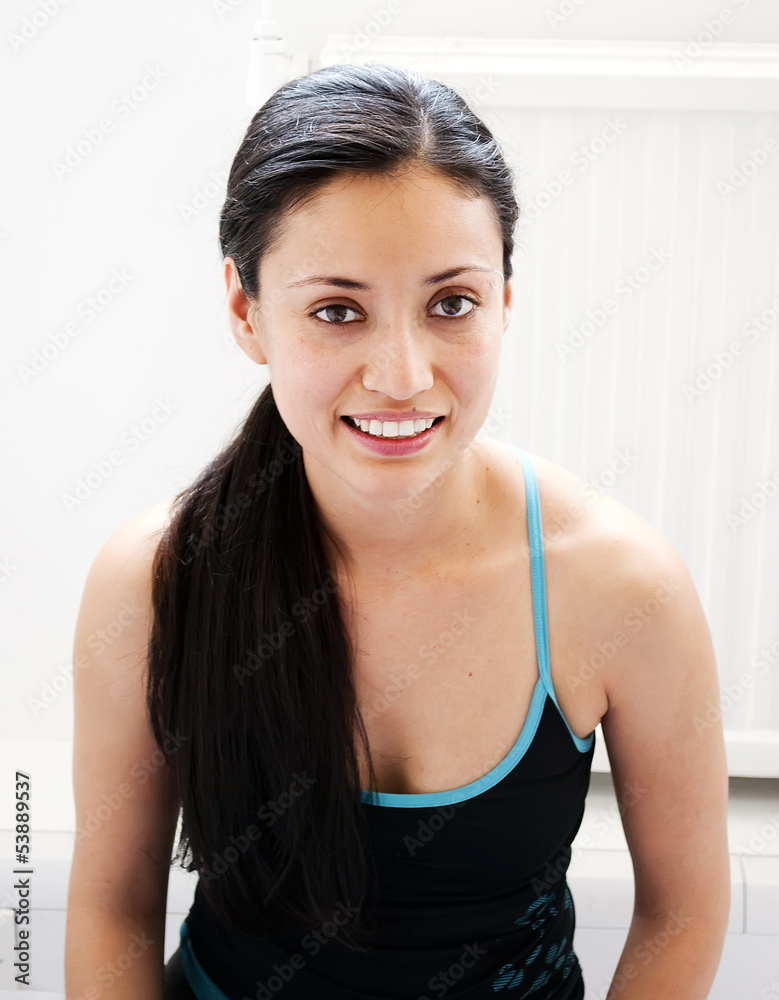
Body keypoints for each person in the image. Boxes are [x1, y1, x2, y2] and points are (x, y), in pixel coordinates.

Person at [65, 62, 730, 1000]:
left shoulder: (620, 586)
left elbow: (688, 910)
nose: (403, 375)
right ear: (245, 310)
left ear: (505, 299)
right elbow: (107, 905)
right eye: (338, 311)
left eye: (449, 303)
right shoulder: (153, 579)